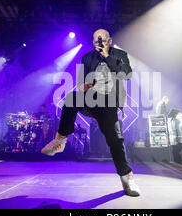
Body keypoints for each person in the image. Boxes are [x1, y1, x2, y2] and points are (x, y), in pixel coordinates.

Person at [41, 29, 140, 196]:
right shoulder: (87, 58)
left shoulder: (120, 55)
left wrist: (108, 56)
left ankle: (127, 179)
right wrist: (84, 86)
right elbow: (81, 84)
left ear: (109, 40)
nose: (99, 45)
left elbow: (127, 74)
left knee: (115, 140)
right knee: (72, 98)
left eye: (103, 41)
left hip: (108, 104)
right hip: (91, 100)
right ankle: (60, 140)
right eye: (96, 42)